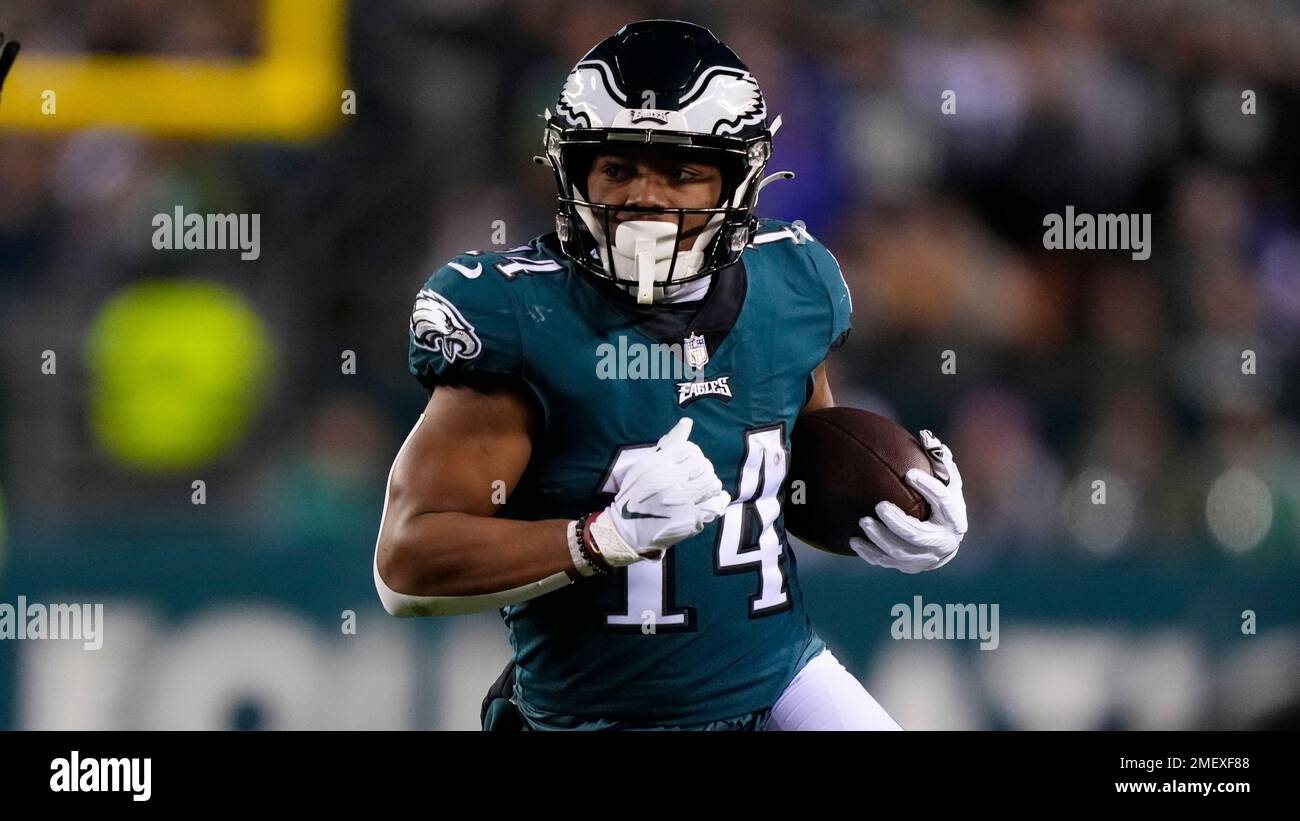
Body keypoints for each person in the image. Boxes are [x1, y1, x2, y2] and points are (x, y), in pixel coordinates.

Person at [373, 19, 967, 731]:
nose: (644, 196)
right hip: (600, 716)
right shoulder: (518, 314)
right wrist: (597, 539)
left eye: (681, 171)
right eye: (617, 167)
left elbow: (790, 470)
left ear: (739, 178)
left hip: (780, 673)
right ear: (572, 173)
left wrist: (901, 508)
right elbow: (406, 562)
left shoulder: (794, 285)